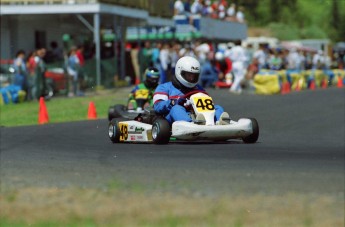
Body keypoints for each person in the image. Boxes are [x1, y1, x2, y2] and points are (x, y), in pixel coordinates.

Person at [153, 56, 229, 125]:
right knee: (176, 109)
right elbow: (158, 106)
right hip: (172, 119)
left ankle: (220, 123)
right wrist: (173, 102)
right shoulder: (164, 87)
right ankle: (190, 125)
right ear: (180, 72)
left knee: (218, 108)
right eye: (189, 75)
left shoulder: (199, 88)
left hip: (198, 116)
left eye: (194, 76)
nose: (192, 78)